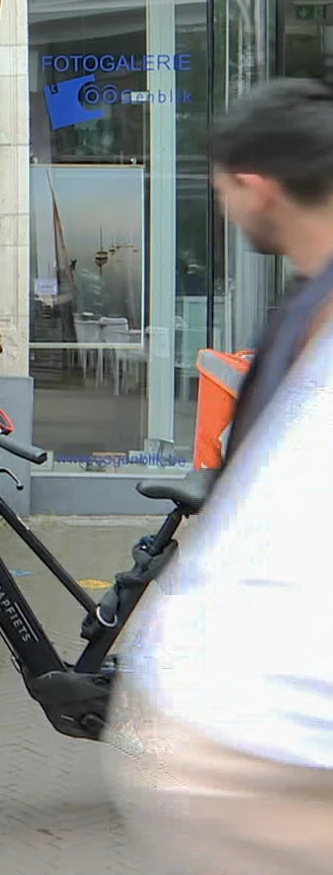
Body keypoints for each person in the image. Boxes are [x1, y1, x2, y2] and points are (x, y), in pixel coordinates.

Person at [107, 78, 333, 874]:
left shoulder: (317, 321)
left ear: (258, 188)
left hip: (280, 747)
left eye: (223, 191)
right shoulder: (309, 306)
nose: (226, 211)